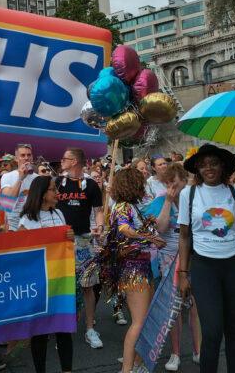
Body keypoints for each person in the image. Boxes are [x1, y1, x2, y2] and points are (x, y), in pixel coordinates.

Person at [177, 144, 235, 373]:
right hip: (204, 267)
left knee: (234, 330)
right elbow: (184, 237)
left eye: (213, 163)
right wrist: (183, 274)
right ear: (197, 169)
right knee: (212, 331)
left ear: (222, 165)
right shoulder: (189, 194)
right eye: (202, 165)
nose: (208, 168)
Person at [108, 168, 164, 373]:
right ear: (132, 185)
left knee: (144, 320)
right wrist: (149, 238)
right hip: (133, 268)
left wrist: (153, 239)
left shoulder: (132, 206)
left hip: (142, 265)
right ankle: (127, 369)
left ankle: (138, 364)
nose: (143, 186)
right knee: (139, 322)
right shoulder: (123, 206)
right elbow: (124, 229)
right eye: (140, 183)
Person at [18, 175, 74, 373]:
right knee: (40, 332)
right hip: (40, 282)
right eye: (53, 189)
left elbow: (65, 246)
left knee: (64, 329)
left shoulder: (59, 213)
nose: (57, 193)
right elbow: (23, 253)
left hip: (60, 281)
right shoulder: (27, 220)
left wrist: (70, 237)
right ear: (42, 195)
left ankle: (67, 370)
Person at [154, 162, 201, 372]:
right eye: (167, 183)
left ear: (184, 179)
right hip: (169, 259)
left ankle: (198, 350)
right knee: (173, 309)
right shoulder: (162, 199)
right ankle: (175, 353)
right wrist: (167, 201)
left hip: (193, 258)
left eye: (174, 182)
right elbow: (161, 227)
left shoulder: (195, 199)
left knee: (195, 307)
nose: (171, 187)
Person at [56, 147, 104, 349]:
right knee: (63, 286)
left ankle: (90, 328)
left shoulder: (91, 185)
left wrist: (100, 226)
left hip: (84, 240)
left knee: (87, 285)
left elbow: (99, 211)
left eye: (65, 158)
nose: (61, 161)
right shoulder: (58, 183)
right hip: (61, 242)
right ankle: (63, 330)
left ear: (74, 161)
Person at [0, 143, 37, 231]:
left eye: (29, 155)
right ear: (16, 158)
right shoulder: (7, 176)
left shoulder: (37, 178)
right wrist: (20, 179)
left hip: (31, 225)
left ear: (32, 157)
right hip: (12, 225)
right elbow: (6, 204)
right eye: (22, 155)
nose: (26, 158)